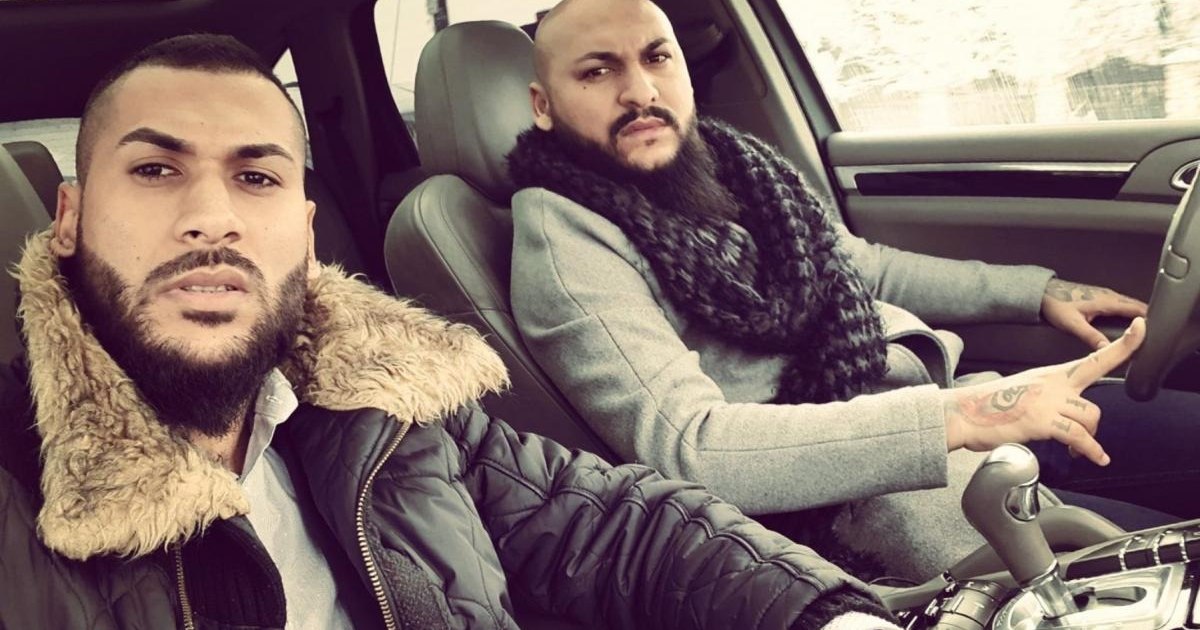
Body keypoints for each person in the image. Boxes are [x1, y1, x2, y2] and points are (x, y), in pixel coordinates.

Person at [0, 34, 906, 630]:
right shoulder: (17, 482)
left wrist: (831, 616)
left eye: (258, 178)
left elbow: (621, 526)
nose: (212, 217)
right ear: (69, 218)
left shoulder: (390, 411)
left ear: (306, 235)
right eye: (155, 170)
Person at [506, 0, 1196, 581]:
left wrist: (1037, 293)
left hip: (946, 416)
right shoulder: (566, 236)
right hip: (871, 496)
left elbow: (862, 267)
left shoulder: (731, 165)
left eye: (657, 58)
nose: (640, 92)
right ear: (543, 104)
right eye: (598, 71)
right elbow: (692, 445)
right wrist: (968, 417)